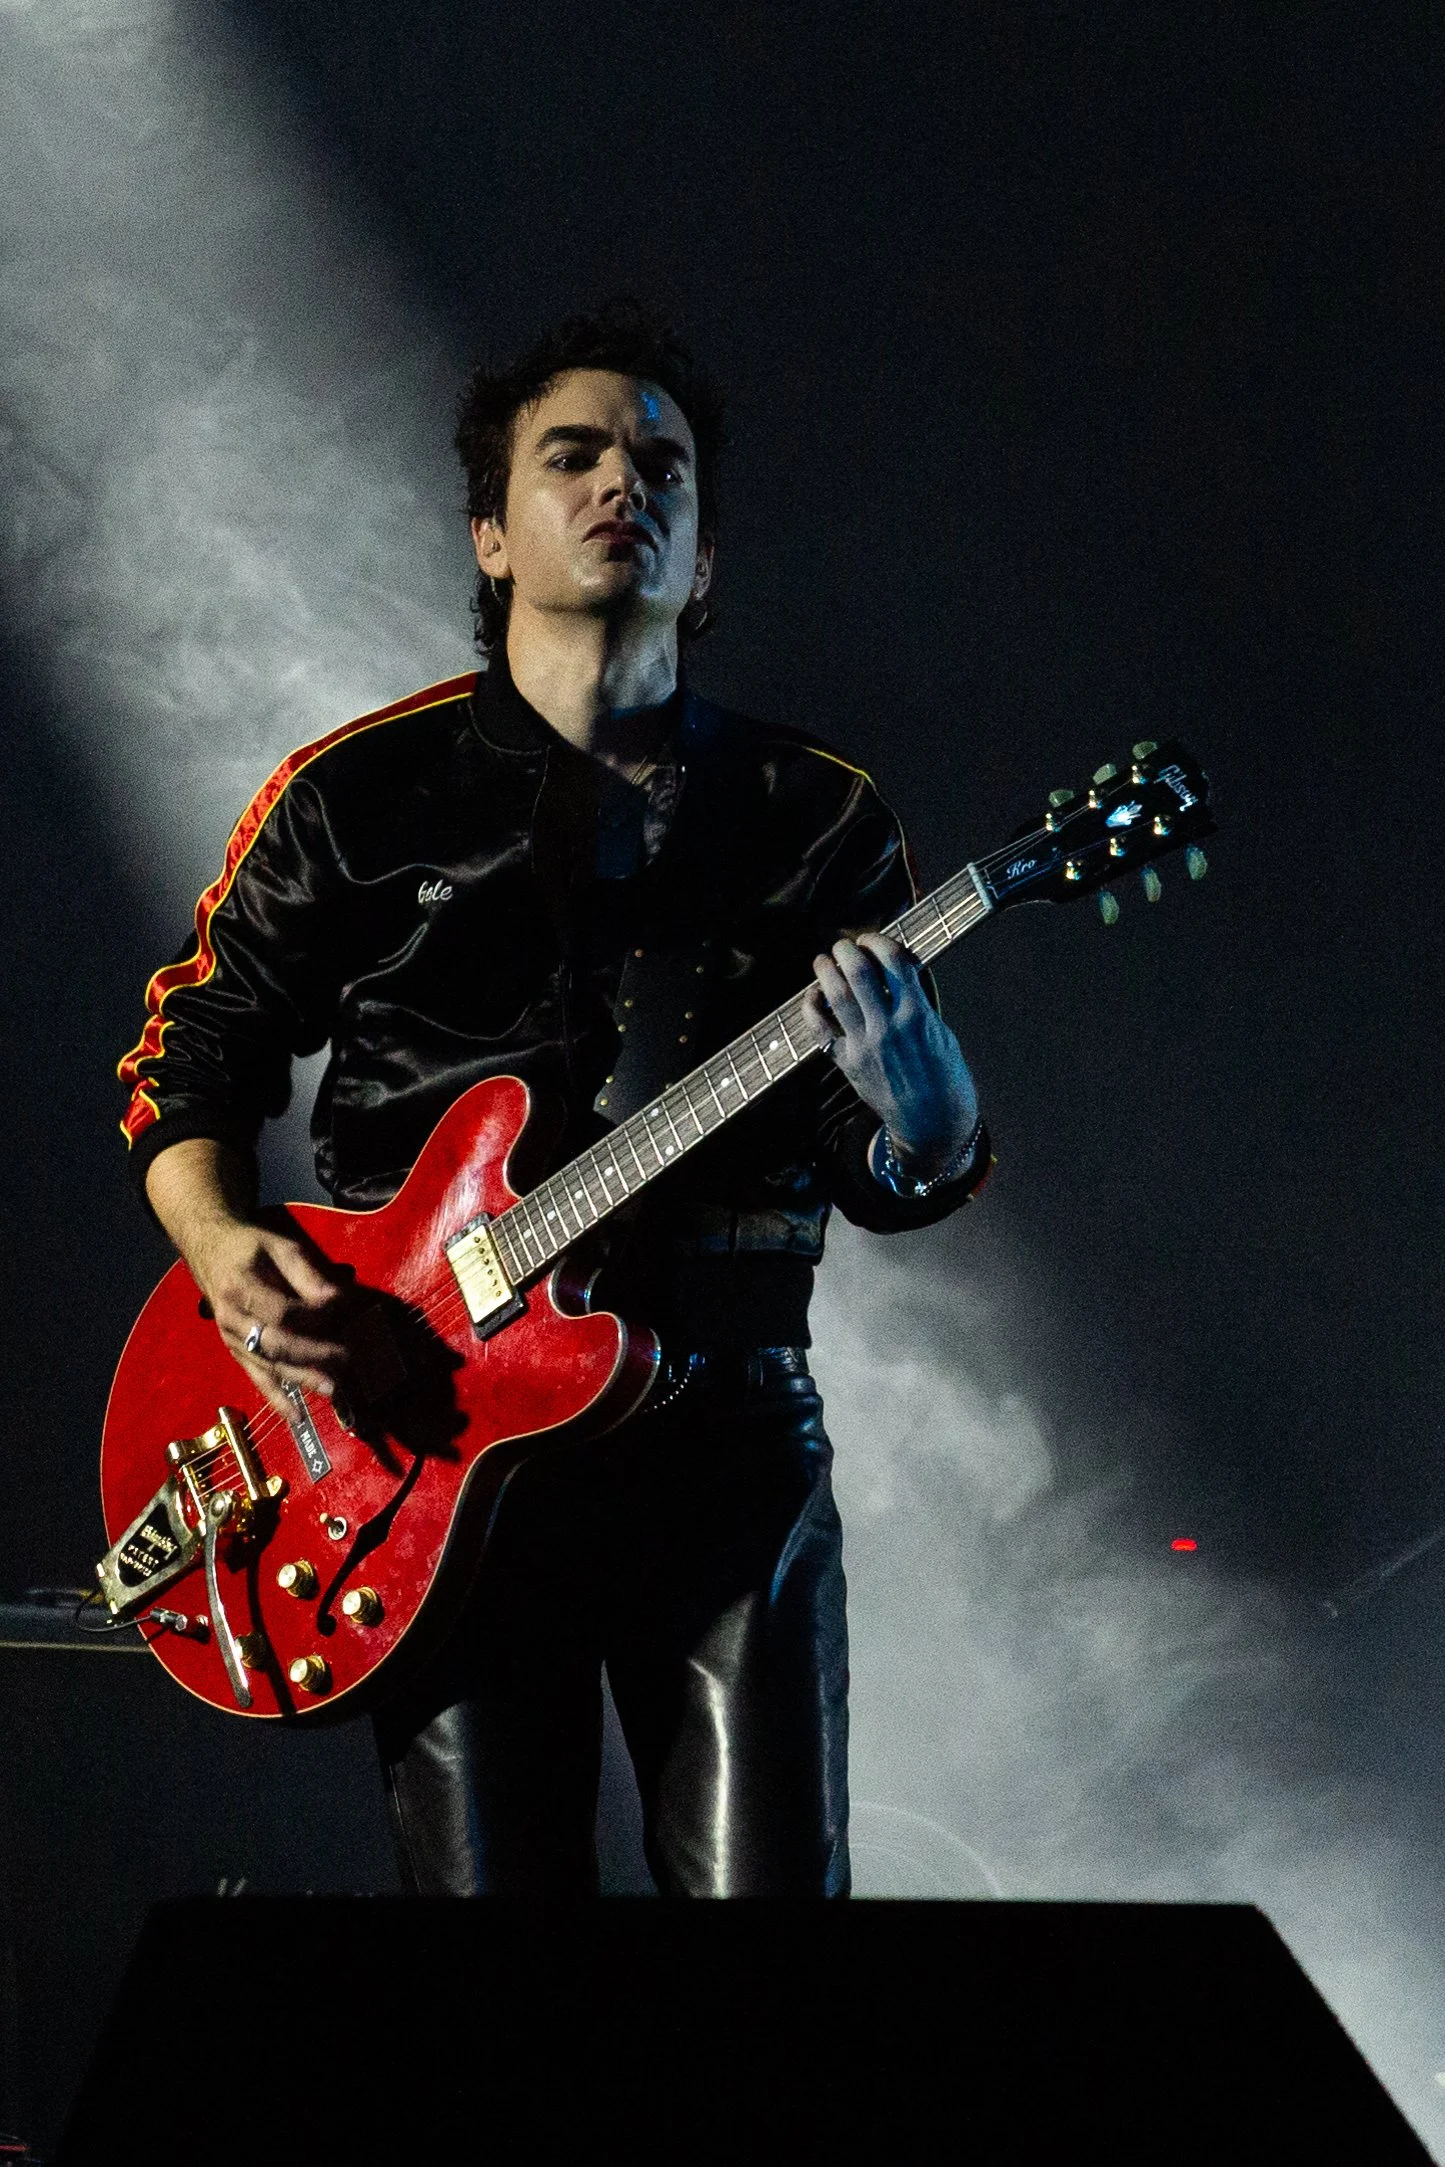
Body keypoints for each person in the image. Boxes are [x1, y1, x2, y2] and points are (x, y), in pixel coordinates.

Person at [118, 299, 990, 1897]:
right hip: (424, 1435)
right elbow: (193, 1048)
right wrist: (222, 1247)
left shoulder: (815, 821)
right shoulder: (354, 798)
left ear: (706, 559)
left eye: (662, 464)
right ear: (491, 534)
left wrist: (930, 1122)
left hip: (721, 1438)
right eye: (572, 455)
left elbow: (867, 1159)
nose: (622, 484)